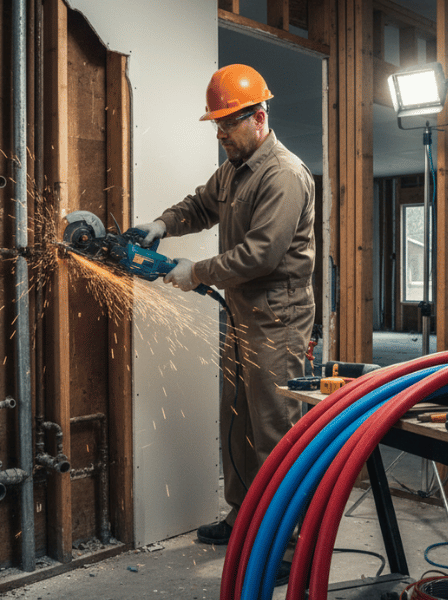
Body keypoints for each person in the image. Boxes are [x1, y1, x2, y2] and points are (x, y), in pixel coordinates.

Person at [134, 64, 315, 584]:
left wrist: (196, 272)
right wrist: (163, 224)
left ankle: (287, 542)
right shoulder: (236, 166)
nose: (219, 135)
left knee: (275, 427)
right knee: (236, 418)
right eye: (215, 125)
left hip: (277, 318)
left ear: (259, 117)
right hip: (239, 313)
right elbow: (201, 205)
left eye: (227, 125)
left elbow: (261, 254)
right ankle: (243, 517)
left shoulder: (283, 173)